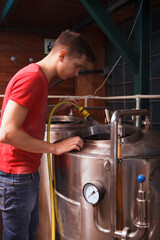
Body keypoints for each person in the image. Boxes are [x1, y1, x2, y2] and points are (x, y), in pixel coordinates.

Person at [0, 29, 95, 240]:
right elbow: (7, 132)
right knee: (17, 236)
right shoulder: (32, 78)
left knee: (28, 233)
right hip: (17, 175)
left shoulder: (40, 78)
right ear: (62, 55)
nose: (77, 73)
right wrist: (55, 147)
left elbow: (28, 112)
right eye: (77, 66)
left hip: (26, 173)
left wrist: (58, 107)